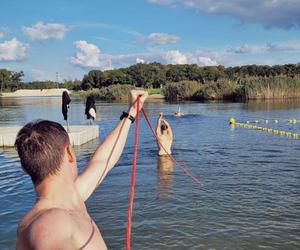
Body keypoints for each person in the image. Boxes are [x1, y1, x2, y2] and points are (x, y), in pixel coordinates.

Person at [15, 90, 148, 250]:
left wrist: (131, 112)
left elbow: (102, 160)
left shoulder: (71, 198)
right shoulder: (51, 223)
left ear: (24, 168)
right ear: (70, 153)